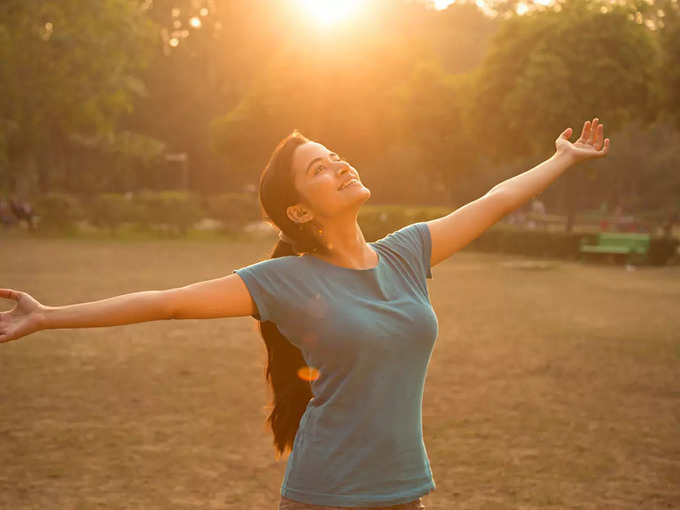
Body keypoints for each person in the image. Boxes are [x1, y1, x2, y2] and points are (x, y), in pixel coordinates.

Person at [0, 118, 610, 509]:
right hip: (327, 496)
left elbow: (496, 199)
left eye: (337, 155)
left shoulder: (408, 252)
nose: (341, 165)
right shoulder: (284, 282)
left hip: (405, 493)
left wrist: (562, 158)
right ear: (298, 212)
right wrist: (49, 315)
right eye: (319, 169)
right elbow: (167, 303)